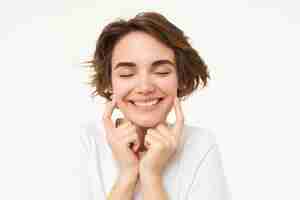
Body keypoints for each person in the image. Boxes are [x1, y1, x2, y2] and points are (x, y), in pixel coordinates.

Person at [80, 12, 231, 200]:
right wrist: (127, 174)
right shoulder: (85, 142)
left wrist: (151, 176)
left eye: (161, 71)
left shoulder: (200, 144)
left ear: (180, 79)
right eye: (127, 74)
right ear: (109, 82)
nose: (145, 87)